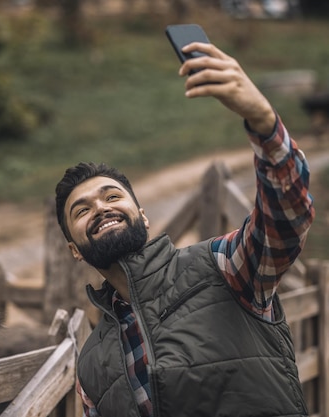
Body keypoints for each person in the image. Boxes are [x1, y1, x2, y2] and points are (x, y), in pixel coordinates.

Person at [54, 41, 315, 417]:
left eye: (112, 196)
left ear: (142, 215)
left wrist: (264, 123)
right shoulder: (91, 365)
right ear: (75, 249)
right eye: (82, 210)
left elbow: (286, 220)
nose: (100, 207)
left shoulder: (222, 267)